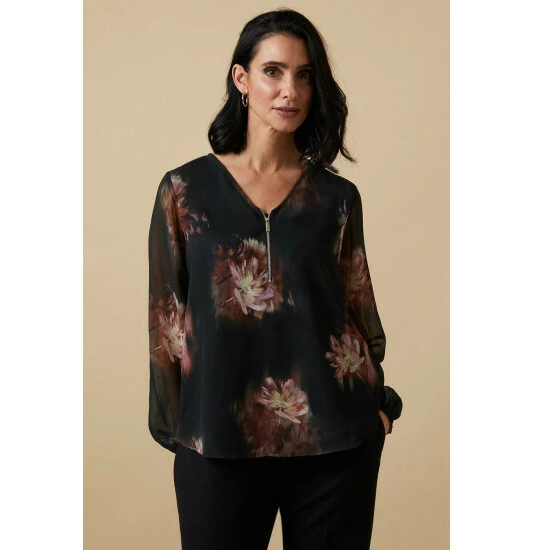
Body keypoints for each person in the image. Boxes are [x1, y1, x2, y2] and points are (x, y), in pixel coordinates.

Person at [147, 8, 403, 550]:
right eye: (273, 71)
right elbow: (167, 323)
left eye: (304, 75)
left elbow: (357, 307)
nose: (290, 90)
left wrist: (377, 407)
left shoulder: (335, 198)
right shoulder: (185, 191)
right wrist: (179, 428)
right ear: (241, 79)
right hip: (218, 441)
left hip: (336, 446)